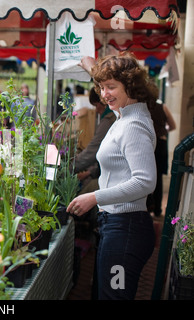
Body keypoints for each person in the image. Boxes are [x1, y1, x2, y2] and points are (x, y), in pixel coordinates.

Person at [68, 53, 158, 300]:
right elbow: (111, 82)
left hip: (125, 230)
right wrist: (93, 69)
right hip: (117, 226)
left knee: (114, 297)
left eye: (111, 87)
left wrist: (94, 197)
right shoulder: (125, 114)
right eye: (101, 87)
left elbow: (145, 181)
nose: (104, 94)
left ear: (130, 86)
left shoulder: (133, 125)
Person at [74, 87, 116, 190]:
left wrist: (69, 167)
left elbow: (93, 151)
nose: (96, 110)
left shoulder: (109, 120)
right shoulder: (112, 118)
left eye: (97, 105)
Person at [146, 89, 176, 217]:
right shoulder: (162, 107)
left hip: (148, 144)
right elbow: (173, 126)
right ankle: (157, 209)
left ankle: (146, 206)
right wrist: (163, 130)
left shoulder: (143, 107)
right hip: (161, 145)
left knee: (146, 175)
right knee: (158, 177)